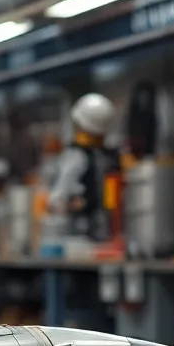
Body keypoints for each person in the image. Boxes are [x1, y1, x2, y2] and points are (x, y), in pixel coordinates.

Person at [48, 93, 120, 241]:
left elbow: (55, 201)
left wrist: (71, 205)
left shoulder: (77, 156)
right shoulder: (109, 156)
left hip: (85, 235)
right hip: (103, 232)